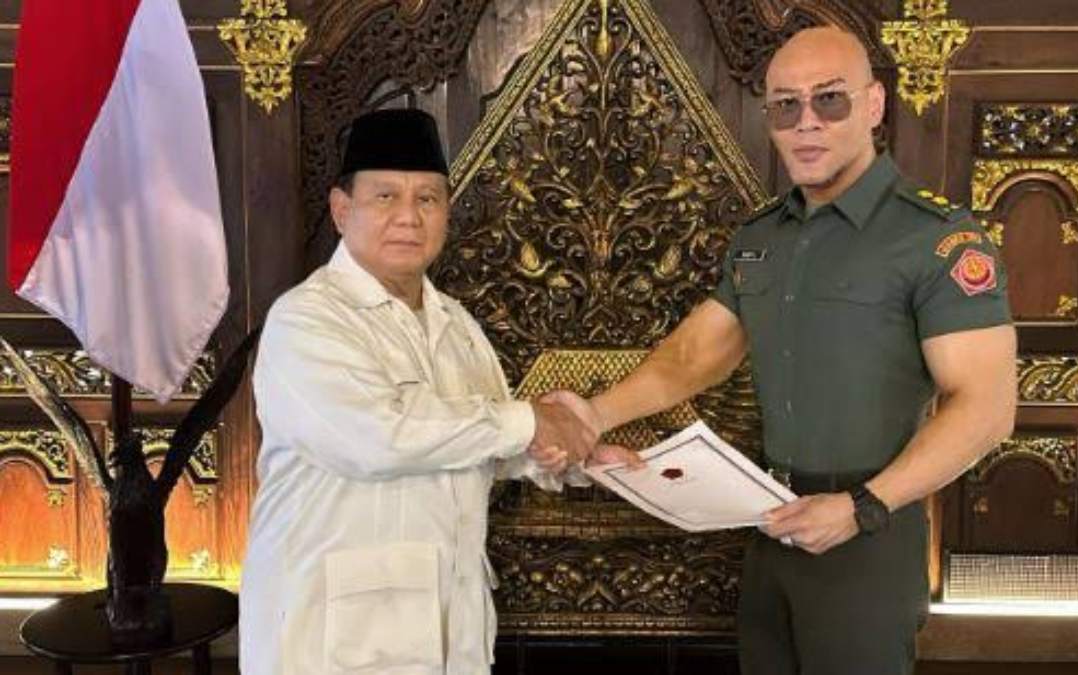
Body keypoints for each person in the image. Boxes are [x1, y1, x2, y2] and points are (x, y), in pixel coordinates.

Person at [544, 26, 1017, 675]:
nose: (806, 123)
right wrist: (591, 415)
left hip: (867, 536)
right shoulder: (762, 236)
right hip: (770, 519)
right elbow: (695, 356)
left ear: (874, 105)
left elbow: (986, 408)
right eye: (786, 106)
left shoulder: (936, 239)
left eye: (830, 100)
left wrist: (863, 507)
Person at [239, 109, 630, 674]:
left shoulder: (455, 323)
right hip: (333, 635)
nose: (409, 216)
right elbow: (379, 438)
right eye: (385, 197)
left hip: (449, 624)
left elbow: (485, 443)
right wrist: (531, 422)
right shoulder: (307, 318)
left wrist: (576, 458)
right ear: (342, 210)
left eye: (428, 198)